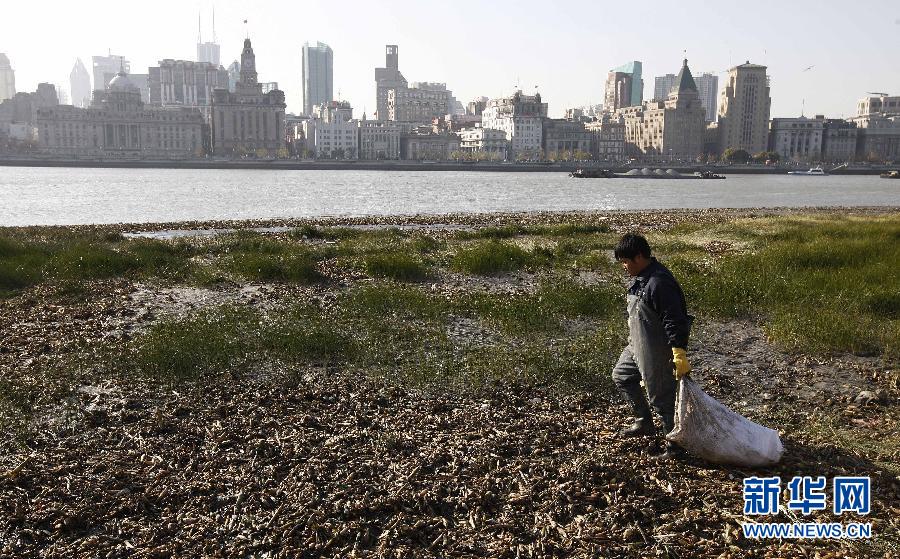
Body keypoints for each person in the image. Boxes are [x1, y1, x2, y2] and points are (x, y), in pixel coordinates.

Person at [611, 233, 693, 459]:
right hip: (636, 345)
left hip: (658, 348)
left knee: (663, 399)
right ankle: (643, 421)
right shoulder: (641, 279)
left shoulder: (659, 282)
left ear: (639, 256)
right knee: (622, 376)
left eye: (626, 262)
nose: (624, 267)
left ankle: (675, 448)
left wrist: (678, 351)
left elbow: (674, 319)